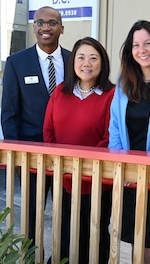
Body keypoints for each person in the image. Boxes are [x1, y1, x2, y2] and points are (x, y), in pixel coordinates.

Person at [1, 6, 70, 247]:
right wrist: (17, 158)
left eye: (52, 23)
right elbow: (8, 114)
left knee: (68, 216)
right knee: (31, 217)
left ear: (62, 28)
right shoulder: (16, 63)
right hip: (31, 158)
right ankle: (29, 257)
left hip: (69, 155)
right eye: (40, 23)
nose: (45, 28)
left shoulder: (75, 61)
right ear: (34, 28)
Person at [43, 37, 115, 263]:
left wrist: (84, 165)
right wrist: (61, 164)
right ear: (73, 61)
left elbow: (110, 136)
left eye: (94, 58)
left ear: (102, 63)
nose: (87, 63)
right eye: (81, 57)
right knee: (65, 230)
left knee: (94, 232)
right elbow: (48, 131)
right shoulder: (60, 93)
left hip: (97, 179)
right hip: (63, 177)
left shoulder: (111, 95)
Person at [108, 20, 150, 264]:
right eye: (136, 45)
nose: (142, 50)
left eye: (148, 43)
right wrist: (122, 163)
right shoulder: (123, 84)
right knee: (132, 239)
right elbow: (115, 128)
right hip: (130, 176)